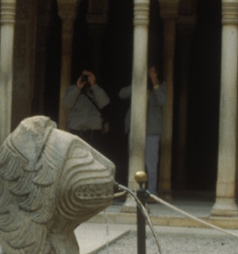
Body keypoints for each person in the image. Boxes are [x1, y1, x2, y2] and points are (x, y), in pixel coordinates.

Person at [119, 66, 167, 194]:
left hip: (151, 130)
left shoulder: (160, 86)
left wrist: (154, 82)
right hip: (136, 128)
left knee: (151, 163)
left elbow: (162, 100)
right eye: (149, 72)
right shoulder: (138, 85)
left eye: (153, 72)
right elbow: (122, 94)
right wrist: (139, 82)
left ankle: (151, 192)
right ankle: (133, 191)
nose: (151, 74)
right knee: (133, 161)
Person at [61, 70, 110, 146]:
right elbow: (67, 104)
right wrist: (77, 89)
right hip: (76, 130)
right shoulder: (71, 89)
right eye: (84, 76)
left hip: (94, 132)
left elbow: (105, 103)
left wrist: (94, 86)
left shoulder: (96, 89)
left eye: (88, 76)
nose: (86, 79)